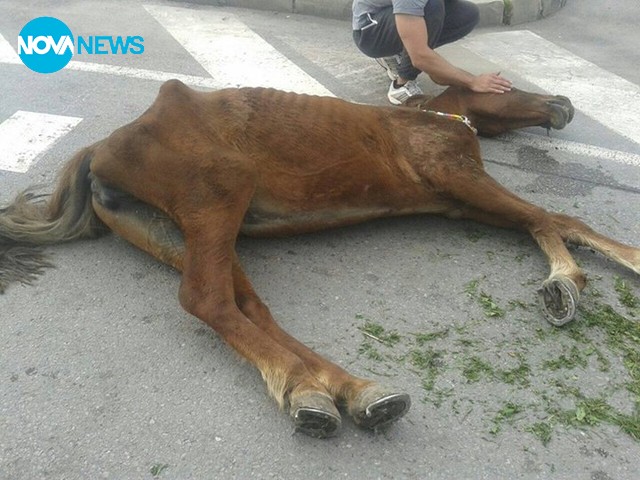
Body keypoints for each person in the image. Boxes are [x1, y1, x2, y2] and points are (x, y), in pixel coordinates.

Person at [352, 0, 512, 105]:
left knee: (467, 13)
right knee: (432, 7)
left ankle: (399, 54)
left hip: (394, 14)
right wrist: (472, 81)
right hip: (369, 33)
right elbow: (420, 56)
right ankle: (401, 84)